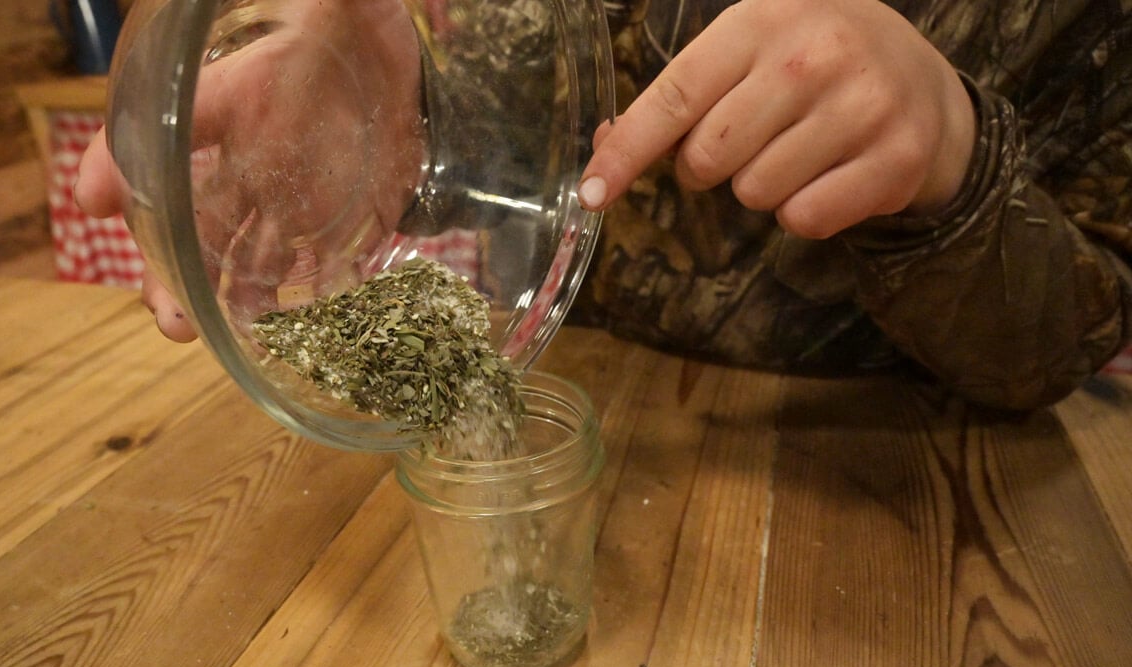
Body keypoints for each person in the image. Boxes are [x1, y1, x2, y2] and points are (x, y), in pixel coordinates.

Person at [77, 0, 1132, 410]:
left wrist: (956, 170)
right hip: (618, 414)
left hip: (902, 474)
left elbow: (1066, 345)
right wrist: (376, 106)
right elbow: (506, 122)